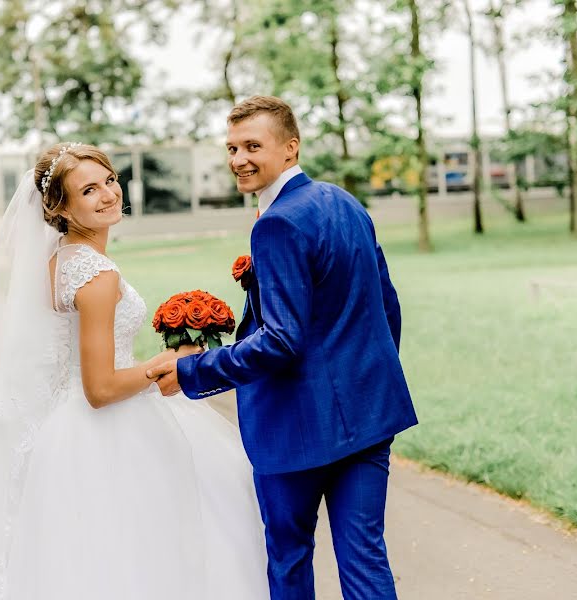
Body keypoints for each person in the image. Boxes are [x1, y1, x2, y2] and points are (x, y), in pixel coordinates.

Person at [0, 142, 269, 600]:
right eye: (89, 190)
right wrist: (168, 363)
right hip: (105, 424)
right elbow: (99, 387)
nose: (108, 194)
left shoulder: (57, 262)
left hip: (62, 421)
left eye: (110, 181)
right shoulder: (95, 274)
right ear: (60, 206)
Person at [149, 95, 418, 600]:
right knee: (365, 559)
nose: (238, 159)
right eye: (231, 148)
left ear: (290, 149)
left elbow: (281, 341)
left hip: (295, 429)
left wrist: (194, 370)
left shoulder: (276, 224)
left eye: (253, 146)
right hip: (368, 416)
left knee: (289, 560)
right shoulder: (344, 202)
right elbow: (388, 304)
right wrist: (363, 377)